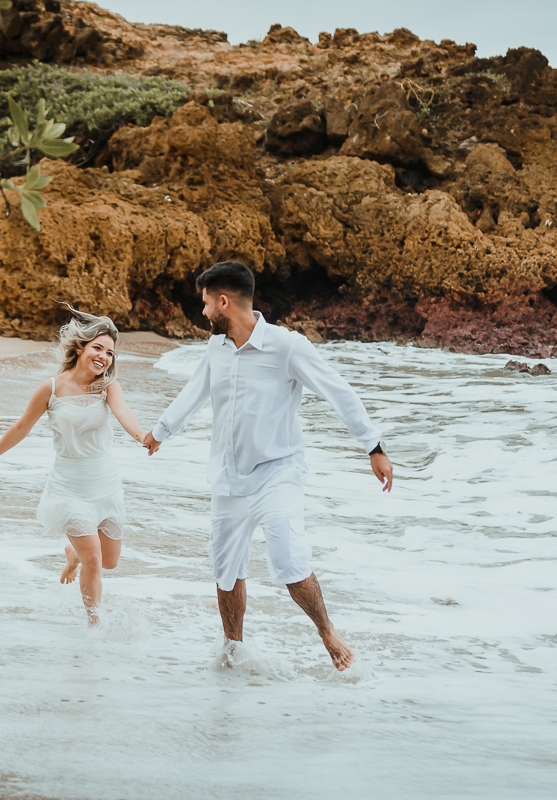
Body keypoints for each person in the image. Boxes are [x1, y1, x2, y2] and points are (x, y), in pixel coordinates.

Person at [144, 261, 394, 671]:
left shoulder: (287, 346)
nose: (204, 313)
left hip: (277, 474)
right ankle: (232, 649)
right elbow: (194, 393)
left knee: (289, 561)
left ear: (224, 301)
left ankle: (326, 630)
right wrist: (160, 432)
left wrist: (374, 447)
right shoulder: (216, 348)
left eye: (207, 304)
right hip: (228, 479)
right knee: (226, 571)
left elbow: (339, 392)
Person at [0, 308, 148, 624]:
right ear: (80, 347)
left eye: (109, 353)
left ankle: (72, 555)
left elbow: (125, 416)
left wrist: (143, 436)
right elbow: (21, 427)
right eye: (98, 348)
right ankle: (95, 624)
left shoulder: (108, 387)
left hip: (105, 484)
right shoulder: (50, 389)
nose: (104, 357)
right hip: (69, 486)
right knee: (93, 559)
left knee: (109, 561)